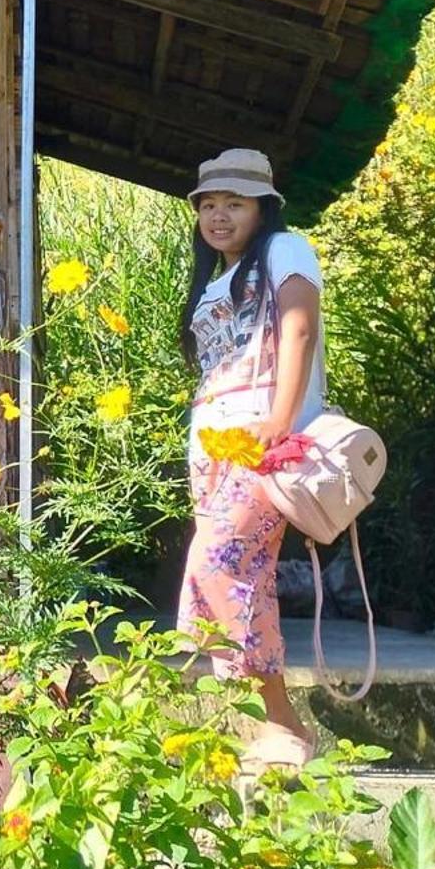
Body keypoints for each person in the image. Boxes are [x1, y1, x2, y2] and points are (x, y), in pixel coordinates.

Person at [176, 147, 325, 769]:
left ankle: (283, 723)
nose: (218, 215)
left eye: (233, 203)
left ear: (263, 208)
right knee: (233, 583)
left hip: (264, 444)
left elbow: (298, 328)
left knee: (217, 566)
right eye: (209, 204)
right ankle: (271, 730)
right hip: (214, 451)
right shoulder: (215, 280)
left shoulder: (285, 250)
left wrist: (280, 422)